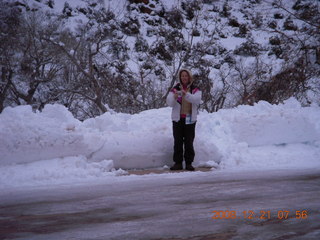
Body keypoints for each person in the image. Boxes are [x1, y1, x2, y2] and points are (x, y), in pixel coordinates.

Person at [166, 69, 202, 171]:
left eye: (186, 76)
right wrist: (174, 97)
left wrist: (186, 94)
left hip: (190, 119)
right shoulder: (175, 89)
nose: (184, 78)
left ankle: (189, 163)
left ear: (189, 77)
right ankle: (177, 162)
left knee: (189, 141)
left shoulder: (195, 89)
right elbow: (170, 103)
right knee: (177, 141)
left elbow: (197, 100)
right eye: (182, 76)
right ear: (180, 77)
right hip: (177, 119)